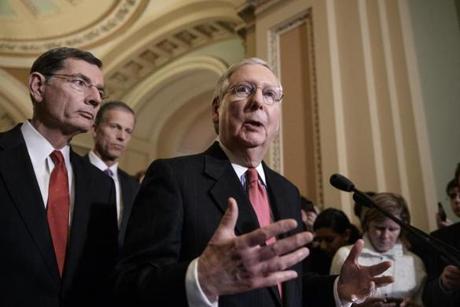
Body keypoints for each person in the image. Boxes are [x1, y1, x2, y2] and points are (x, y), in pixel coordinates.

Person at [115, 58, 392, 307]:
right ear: (216, 110)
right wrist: (200, 279)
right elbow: (131, 284)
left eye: (270, 94)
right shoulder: (174, 177)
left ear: (277, 118)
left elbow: (285, 285)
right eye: (243, 90)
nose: (258, 101)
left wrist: (337, 290)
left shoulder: (287, 191)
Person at [0, 47, 118, 306]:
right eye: (80, 83)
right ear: (38, 86)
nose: (95, 99)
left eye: (100, 91)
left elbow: (104, 275)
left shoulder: (101, 185)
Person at [331, 193, 426, 306]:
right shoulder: (345, 255)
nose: (385, 236)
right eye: (379, 228)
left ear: (402, 228)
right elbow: (333, 301)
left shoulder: (415, 261)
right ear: (367, 224)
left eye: (392, 229)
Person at [86, 100, 139, 244]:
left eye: (128, 131)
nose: (121, 137)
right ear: (95, 129)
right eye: (115, 127)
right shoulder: (71, 170)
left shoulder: (134, 187)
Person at [305, 208, 361, 275]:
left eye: (329, 240)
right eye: (319, 240)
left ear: (346, 235)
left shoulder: (361, 255)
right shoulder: (316, 257)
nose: (323, 246)